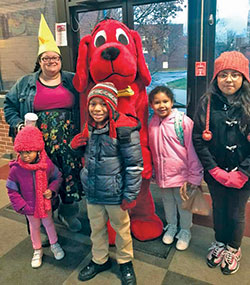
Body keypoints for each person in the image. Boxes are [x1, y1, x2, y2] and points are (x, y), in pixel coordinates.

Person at [3, 14, 83, 233]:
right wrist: (20, 126)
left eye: (54, 58)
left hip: (68, 143)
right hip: (39, 144)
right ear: (39, 61)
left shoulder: (71, 79)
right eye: (45, 58)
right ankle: (40, 222)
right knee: (38, 181)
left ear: (60, 60)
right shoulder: (26, 83)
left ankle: (68, 214)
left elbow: (87, 101)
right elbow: (8, 106)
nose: (51, 62)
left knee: (67, 177)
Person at [70, 82, 143, 284]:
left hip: (115, 193)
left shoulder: (125, 129)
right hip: (93, 190)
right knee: (96, 228)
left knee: (121, 229)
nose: (97, 109)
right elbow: (88, 155)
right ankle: (100, 259)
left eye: (102, 104)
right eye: (93, 104)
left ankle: (125, 262)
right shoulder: (90, 127)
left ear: (111, 105)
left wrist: (130, 195)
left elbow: (134, 165)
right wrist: (75, 148)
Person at [192, 51, 250, 275]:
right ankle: (220, 241)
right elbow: (198, 137)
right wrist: (213, 169)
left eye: (235, 75)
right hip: (215, 171)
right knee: (219, 208)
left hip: (243, 175)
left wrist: (243, 172)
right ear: (216, 78)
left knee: (236, 212)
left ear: (243, 78)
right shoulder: (207, 103)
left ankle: (233, 248)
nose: (229, 80)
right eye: (223, 74)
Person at [148, 86, 203, 251]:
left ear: (172, 102)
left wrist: (194, 177)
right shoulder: (152, 123)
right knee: (168, 202)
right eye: (157, 102)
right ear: (151, 105)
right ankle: (171, 225)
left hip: (182, 176)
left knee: (183, 204)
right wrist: (153, 170)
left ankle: (185, 230)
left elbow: (193, 151)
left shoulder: (183, 122)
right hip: (163, 176)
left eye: (165, 101)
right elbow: (152, 149)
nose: (162, 105)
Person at [6, 126, 65, 268]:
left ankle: (54, 244)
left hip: (45, 204)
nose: (26, 156)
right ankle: (37, 249)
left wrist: (52, 190)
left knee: (49, 224)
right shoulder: (16, 169)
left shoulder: (46, 164)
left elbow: (58, 177)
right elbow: (11, 189)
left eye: (29, 152)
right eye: (22, 152)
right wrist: (22, 206)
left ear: (38, 150)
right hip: (29, 207)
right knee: (34, 228)